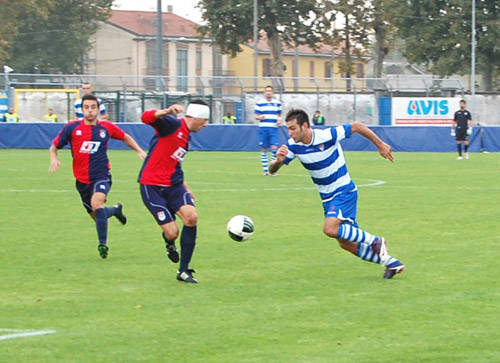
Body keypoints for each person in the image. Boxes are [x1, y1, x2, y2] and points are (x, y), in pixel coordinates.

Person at [269, 109, 405, 279]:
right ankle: (391, 263)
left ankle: (376, 241)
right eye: (288, 129)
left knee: (330, 228)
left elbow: (356, 126)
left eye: (293, 128)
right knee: (345, 243)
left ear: (304, 126)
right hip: (327, 199)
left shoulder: (327, 135)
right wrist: (278, 162)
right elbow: (272, 170)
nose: (290, 133)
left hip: (343, 191)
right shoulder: (292, 146)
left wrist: (380, 144)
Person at [49, 94, 146, 259]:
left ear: (98, 109)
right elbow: (54, 146)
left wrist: (139, 150)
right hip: (81, 180)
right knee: (97, 214)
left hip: (102, 175)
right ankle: (115, 210)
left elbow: (125, 137)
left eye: (93, 107)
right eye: (86, 107)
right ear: (82, 109)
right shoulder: (72, 128)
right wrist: (54, 158)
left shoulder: (106, 128)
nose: (90, 111)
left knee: (97, 203)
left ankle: (103, 244)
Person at [138, 100, 209, 283]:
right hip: (152, 186)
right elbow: (145, 117)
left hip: (175, 186)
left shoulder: (187, 137)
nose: (205, 124)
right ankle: (169, 243)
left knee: (191, 217)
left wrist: (185, 186)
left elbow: (174, 163)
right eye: (204, 120)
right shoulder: (172, 125)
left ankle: (183, 271)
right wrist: (167, 111)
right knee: (172, 232)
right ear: (196, 118)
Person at [254, 85, 282, 175]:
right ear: (265, 92)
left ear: (272, 92)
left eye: (270, 90)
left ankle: (273, 170)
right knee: (264, 148)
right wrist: (259, 117)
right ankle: (266, 171)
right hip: (263, 128)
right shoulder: (260, 103)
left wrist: (279, 120)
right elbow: (256, 116)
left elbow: (280, 115)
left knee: (274, 148)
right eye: (267, 91)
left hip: (273, 128)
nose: (268, 92)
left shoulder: (277, 103)